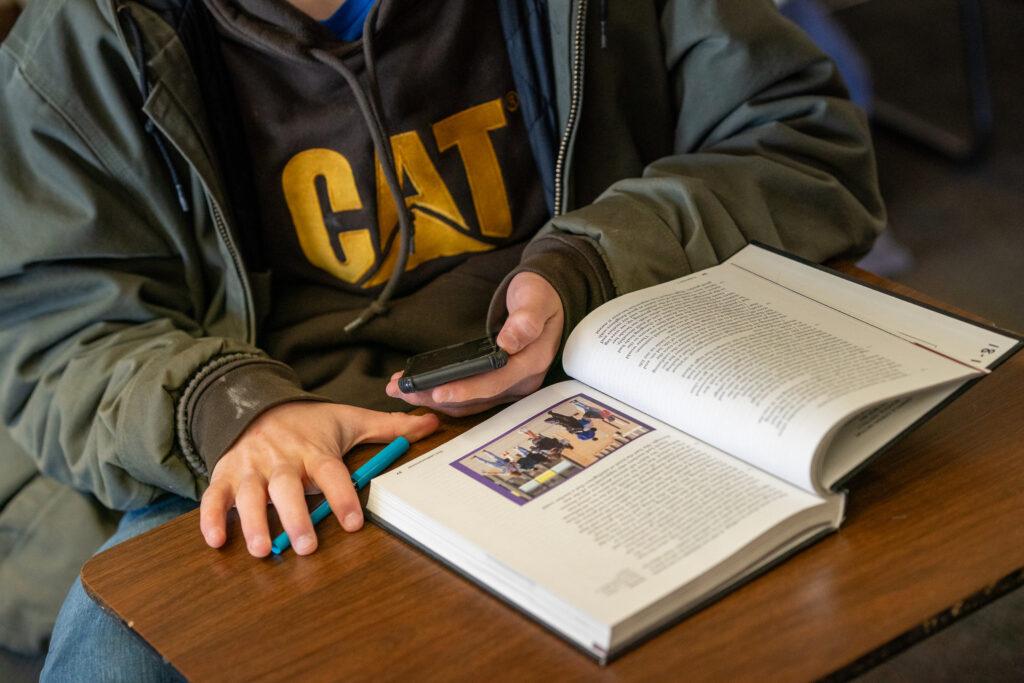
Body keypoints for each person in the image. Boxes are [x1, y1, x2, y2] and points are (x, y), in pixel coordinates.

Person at [0, 0, 885, 676]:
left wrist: (588, 265)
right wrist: (236, 410)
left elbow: (802, 148)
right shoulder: (89, 34)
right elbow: (60, 328)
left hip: (601, 369)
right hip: (287, 444)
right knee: (120, 646)